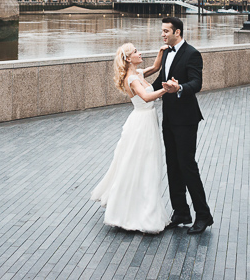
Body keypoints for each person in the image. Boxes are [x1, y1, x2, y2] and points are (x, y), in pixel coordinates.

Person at [90, 42, 172, 233]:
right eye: (136, 51)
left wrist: (160, 52)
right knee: (141, 164)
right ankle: (136, 211)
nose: (139, 52)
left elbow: (155, 67)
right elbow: (145, 97)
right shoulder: (132, 79)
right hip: (141, 124)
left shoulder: (139, 74)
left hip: (145, 121)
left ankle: (134, 204)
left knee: (139, 163)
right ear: (128, 58)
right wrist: (166, 90)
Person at [153, 17, 214, 234]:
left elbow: (196, 83)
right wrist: (136, 85)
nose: (163, 34)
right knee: (172, 165)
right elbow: (159, 82)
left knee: (187, 166)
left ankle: (203, 215)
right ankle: (181, 212)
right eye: (162, 31)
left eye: (166, 31)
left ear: (177, 32)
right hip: (169, 118)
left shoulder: (192, 54)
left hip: (186, 119)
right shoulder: (167, 53)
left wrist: (179, 88)